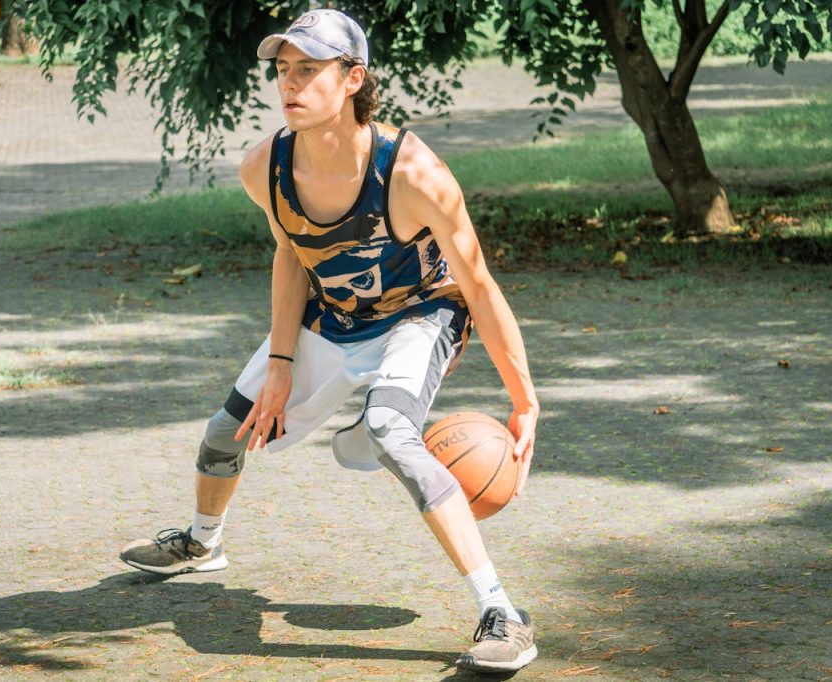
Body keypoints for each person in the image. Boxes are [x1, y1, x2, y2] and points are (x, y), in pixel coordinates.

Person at [120, 8, 540, 674]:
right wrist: (281, 363)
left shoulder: (412, 174)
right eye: (284, 70)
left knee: (390, 433)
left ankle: (502, 613)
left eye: (309, 70)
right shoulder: (266, 167)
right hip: (334, 317)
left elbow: (480, 287)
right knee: (223, 434)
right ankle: (203, 544)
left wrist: (524, 401)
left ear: (353, 80)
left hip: (420, 315)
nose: (290, 83)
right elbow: (290, 256)